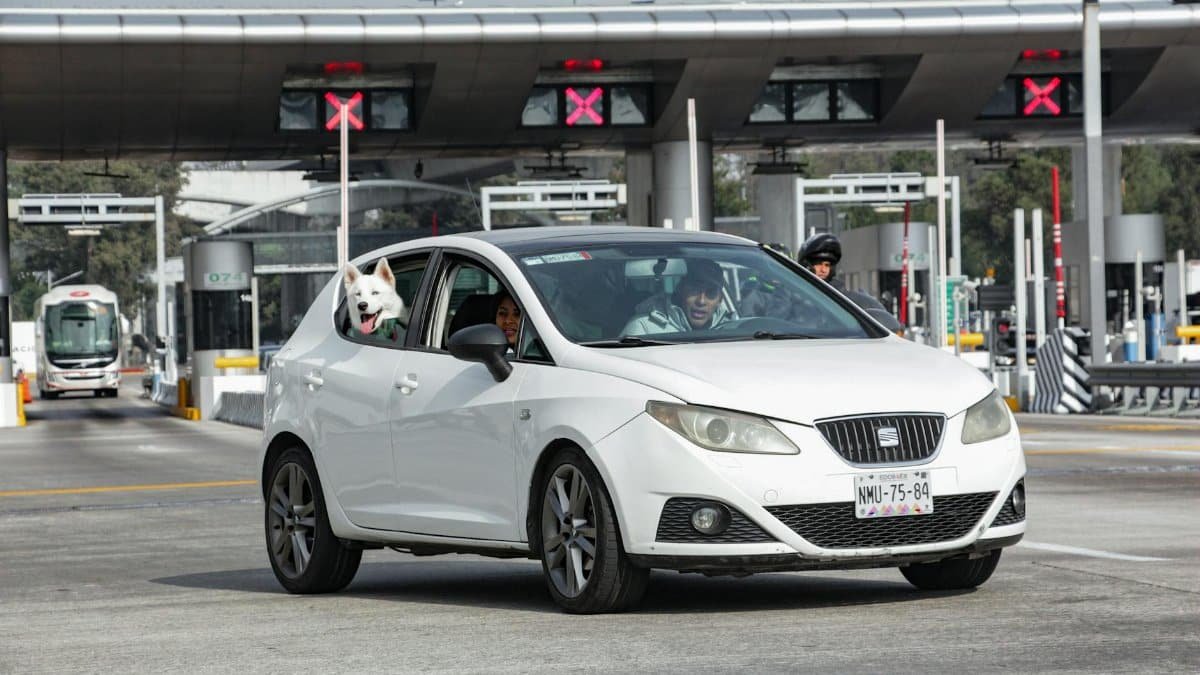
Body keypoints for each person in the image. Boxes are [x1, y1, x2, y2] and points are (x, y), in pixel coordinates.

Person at [798, 232, 903, 332]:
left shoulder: (844, 297)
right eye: (819, 264)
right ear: (807, 264)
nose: (823, 270)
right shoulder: (792, 296)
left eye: (827, 265)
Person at [621, 258, 732, 336]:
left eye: (711, 293)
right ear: (680, 290)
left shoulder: (731, 330)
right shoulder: (643, 327)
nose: (701, 301)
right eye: (694, 290)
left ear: (720, 300)